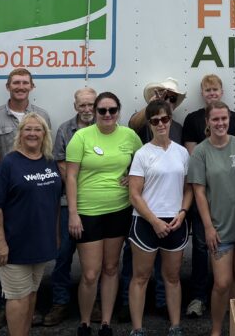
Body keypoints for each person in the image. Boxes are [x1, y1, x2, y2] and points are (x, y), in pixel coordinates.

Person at [65, 92, 142, 336]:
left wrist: (132, 176)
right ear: (94, 112)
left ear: (118, 111)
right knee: (90, 273)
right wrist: (73, 213)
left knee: (111, 268)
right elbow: (71, 176)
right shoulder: (81, 137)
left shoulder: (129, 136)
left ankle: (106, 323)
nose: (107, 115)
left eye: (112, 110)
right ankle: (85, 322)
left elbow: (144, 164)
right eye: (102, 111)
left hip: (119, 210)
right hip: (88, 212)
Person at [0, 68, 53, 328]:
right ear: (8, 86)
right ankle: (6, 306)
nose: (20, 87)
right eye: (16, 83)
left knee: (30, 280)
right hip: (5, 202)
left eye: (25, 83)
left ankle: (22, 311)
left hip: (32, 204)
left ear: (32, 86)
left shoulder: (42, 115)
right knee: (5, 260)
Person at [0, 113, 62, 336]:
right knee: (17, 297)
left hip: (41, 243)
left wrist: (55, 234)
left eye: (37, 129)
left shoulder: (49, 162)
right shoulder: (8, 164)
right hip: (15, 246)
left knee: (31, 294)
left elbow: (54, 201)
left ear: (44, 134)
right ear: (20, 134)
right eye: (27, 129)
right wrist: (0, 244)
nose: (32, 133)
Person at [187, 101, 235, 336]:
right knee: (222, 283)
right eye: (215, 119)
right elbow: (198, 192)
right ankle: (216, 330)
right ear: (207, 121)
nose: (220, 123)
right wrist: (207, 227)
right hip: (219, 228)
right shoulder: (201, 152)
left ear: (229, 120)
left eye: (223, 119)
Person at [121, 78, 188, 320]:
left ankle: (174, 325)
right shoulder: (141, 148)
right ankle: (136, 328)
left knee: (171, 278)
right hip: (147, 222)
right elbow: (134, 194)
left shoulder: (181, 149)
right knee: (140, 276)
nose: (161, 123)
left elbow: (188, 186)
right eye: (155, 120)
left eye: (165, 118)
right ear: (150, 122)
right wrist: (154, 221)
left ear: (171, 118)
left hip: (174, 221)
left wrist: (182, 212)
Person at [181, 74, 235, 319]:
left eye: (215, 89)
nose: (212, 93)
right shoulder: (192, 119)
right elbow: (193, 154)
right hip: (206, 203)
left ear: (222, 91)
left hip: (234, 205)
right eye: (207, 90)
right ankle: (198, 297)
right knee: (200, 249)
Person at [44, 87, 97, 328]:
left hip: (99, 205)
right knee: (63, 255)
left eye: (91, 105)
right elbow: (62, 166)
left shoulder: (106, 125)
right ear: (75, 106)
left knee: (97, 259)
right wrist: (82, 189)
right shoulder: (66, 130)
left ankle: (94, 303)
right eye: (82, 105)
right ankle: (60, 303)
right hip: (69, 202)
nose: (87, 109)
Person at [128, 77, 187, 144]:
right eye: (165, 97)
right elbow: (132, 125)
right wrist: (151, 106)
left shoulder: (178, 128)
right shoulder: (144, 120)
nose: (168, 101)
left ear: (175, 105)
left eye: (172, 99)